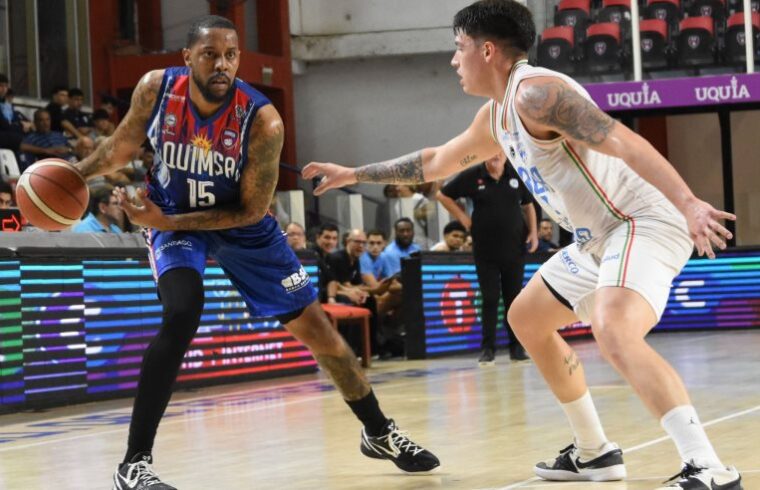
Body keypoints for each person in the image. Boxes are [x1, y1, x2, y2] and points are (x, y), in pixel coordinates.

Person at [302, 1, 740, 488]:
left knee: (614, 330)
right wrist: (353, 174)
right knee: (527, 318)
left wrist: (688, 202)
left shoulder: (538, 93)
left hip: (639, 221)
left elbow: (621, 140)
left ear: (487, 50)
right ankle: (594, 451)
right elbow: (437, 161)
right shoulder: (497, 115)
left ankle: (708, 467)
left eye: (459, 47)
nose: (454, 60)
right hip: (596, 238)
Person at [74, 16, 438, 489]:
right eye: (210, 54)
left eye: (230, 55)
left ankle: (378, 431)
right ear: (187, 57)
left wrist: (167, 223)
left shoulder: (263, 120)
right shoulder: (156, 89)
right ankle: (134, 463)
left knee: (321, 334)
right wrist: (70, 175)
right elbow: (119, 150)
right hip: (173, 214)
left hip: (238, 226)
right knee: (182, 311)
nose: (221, 64)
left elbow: (249, 211)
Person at [437, 151, 537, 363]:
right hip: (485, 250)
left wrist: (534, 233)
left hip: (515, 249)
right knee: (490, 298)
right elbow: (442, 195)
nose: (496, 156)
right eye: (491, 152)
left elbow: (528, 205)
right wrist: (463, 218)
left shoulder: (516, 173)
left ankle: (516, 348)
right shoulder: (473, 175)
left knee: (514, 299)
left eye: (499, 152)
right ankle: (488, 348)